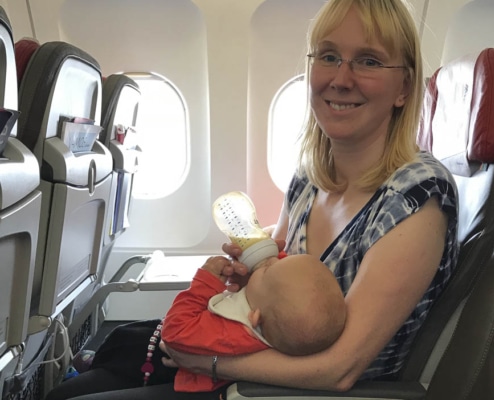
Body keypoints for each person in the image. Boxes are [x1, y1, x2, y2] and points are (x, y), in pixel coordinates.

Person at [45, 0, 459, 398]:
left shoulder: (416, 199)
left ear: (404, 86)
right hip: (247, 355)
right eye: (328, 56)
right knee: (87, 375)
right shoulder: (310, 174)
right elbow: (274, 269)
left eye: (368, 60)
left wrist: (202, 360)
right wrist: (247, 274)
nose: (341, 77)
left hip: (283, 391)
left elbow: (340, 370)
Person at [162, 252, 346, 392]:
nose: (274, 260)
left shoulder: (232, 333)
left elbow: (174, 331)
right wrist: (271, 253)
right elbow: (286, 282)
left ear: (255, 317)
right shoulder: (270, 317)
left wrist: (206, 283)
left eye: (267, 270)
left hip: (173, 369)